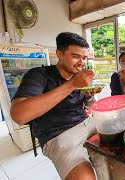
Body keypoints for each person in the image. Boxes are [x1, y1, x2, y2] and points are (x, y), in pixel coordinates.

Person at [10, 32, 99, 180]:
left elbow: (87, 106)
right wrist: (72, 85)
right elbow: (18, 115)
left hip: (86, 123)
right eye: (76, 56)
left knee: (122, 132)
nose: (81, 62)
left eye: (84, 58)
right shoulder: (39, 75)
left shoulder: (78, 76)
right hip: (58, 136)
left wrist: (90, 96)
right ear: (60, 54)